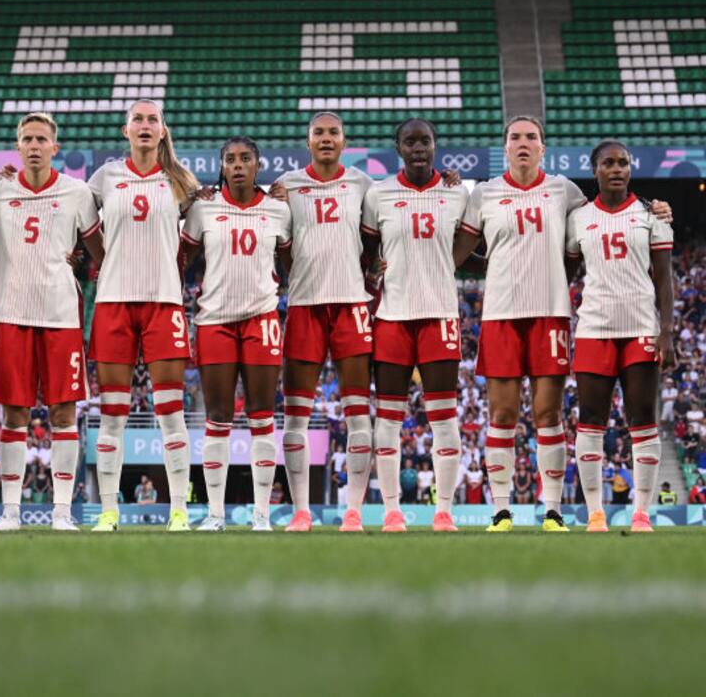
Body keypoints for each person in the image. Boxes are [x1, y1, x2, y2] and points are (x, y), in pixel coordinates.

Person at [453, 115, 672, 534]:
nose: (523, 142)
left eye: (530, 137)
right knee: (501, 414)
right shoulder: (484, 193)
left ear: (542, 148)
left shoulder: (565, 192)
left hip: (551, 314)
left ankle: (551, 510)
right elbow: (460, 253)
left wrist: (655, 207)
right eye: (515, 137)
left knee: (548, 414)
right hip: (500, 315)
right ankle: (501, 512)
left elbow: (601, 221)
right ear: (505, 146)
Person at [0, 112, 103, 532]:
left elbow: (96, 248)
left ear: (55, 146)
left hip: (60, 316)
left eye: (41, 139)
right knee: (13, 415)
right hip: (13, 314)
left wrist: (84, 260)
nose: (33, 145)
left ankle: (62, 512)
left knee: (63, 414)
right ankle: (11, 513)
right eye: (26, 139)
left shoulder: (77, 192)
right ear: (17, 147)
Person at [86, 100, 200, 533]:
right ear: (125, 130)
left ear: (163, 130)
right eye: (139, 119)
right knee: (112, 412)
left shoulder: (182, 183)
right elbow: (74, 215)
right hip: (114, 301)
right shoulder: (103, 179)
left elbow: (205, 224)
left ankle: (178, 511)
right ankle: (109, 511)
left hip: (163, 303)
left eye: (154, 120)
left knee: (170, 411)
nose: (146, 126)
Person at [360, 118, 469, 532]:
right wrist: (373, 272)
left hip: (440, 314)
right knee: (388, 419)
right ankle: (392, 511)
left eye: (425, 140)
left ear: (436, 145)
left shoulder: (457, 192)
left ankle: (444, 511)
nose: (419, 147)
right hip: (392, 317)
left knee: (444, 418)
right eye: (411, 141)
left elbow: (473, 242)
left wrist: (447, 266)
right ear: (399, 148)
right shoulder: (379, 194)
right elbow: (365, 253)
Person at [271, 112, 376, 532]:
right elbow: (277, 240)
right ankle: (301, 511)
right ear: (308, 140)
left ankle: (353, 510)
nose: (327, 138)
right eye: (319, 133)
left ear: (344, 140)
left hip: (351, 305)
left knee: (358, 414)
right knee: (295, 416)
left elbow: (374, 239)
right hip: (305, 306)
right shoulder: (288, 185)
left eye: (333, 132)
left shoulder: (363, 185)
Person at [180, 137, 291, 532]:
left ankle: (262, 515)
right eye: (230, 159)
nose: (238, 165)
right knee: (218, 418)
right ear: (222, 166)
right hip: (214, 321)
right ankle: (214, 514)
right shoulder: (204, 208)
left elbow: (292, 261)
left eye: (245, 159)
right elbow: (181, 259)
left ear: (258, 165)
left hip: (262, 319)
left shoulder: (279, 209)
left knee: (262, 417)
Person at [566, 140, 674, 533]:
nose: (617, 169)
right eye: (608, 163)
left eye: (623, 163)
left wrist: (666, 331)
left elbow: (664, 278)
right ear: (594, 169)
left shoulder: (652, 215)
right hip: (594, 328)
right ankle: (595, 512)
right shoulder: (578, 218)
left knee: (642, 419)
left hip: (641, 328)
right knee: (590, 420)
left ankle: (641, 512)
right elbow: (566, 274)